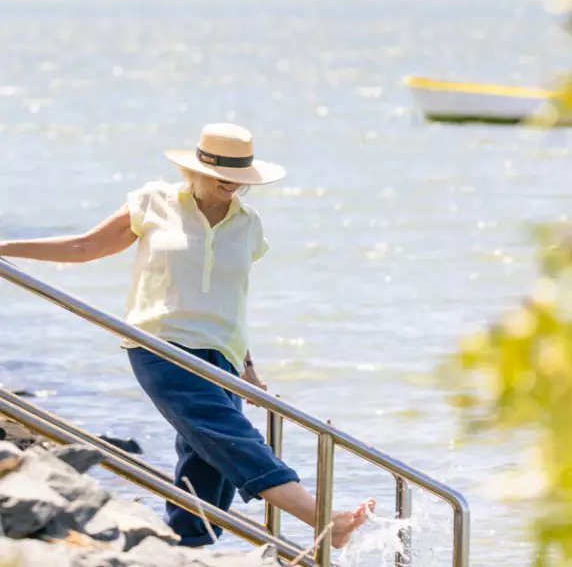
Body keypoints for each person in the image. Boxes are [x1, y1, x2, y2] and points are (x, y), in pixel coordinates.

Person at [0, 122, 374, 549]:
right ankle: (324, 520)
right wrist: (5, 249)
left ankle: (183, 547)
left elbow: (229, 300)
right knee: (233, 439)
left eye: (241, 178)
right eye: (224, 177)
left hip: (224, 356)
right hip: (162, 345)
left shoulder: (249, 225)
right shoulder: (153, 201)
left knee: (208, 466)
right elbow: (85, 247)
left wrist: (248, 366)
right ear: (196, 169)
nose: (233, 186)